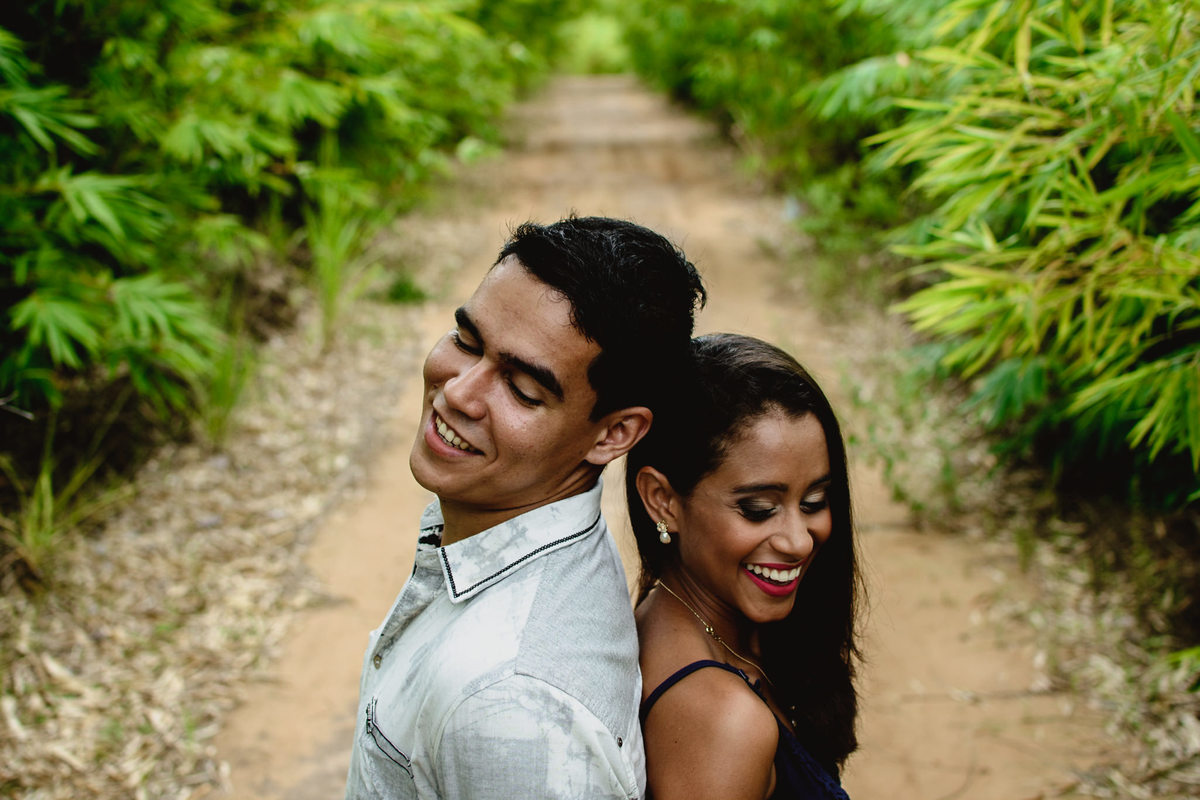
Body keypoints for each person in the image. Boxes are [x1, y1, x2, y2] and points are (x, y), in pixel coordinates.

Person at [343, 216, 707, 800]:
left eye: (522, 389)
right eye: (467, 342)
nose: (458, 391)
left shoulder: (516, 709)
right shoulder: (484, 526)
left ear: (613, 435)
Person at [626, 333, 860, 800]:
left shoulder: (673, 615)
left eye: (814, 501)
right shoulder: (723, 723)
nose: (798, 540)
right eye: (758, 508)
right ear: (663, 500)